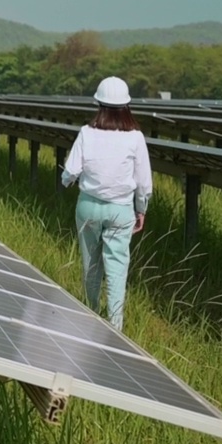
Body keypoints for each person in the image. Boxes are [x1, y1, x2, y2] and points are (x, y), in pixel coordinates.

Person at [60, 76, 152, 331]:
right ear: (127, 106)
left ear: (98, 103)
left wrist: (66, 180)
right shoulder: (135, 137)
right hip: (121, 210)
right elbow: (143, 182)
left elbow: (71, 171)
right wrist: (141, 208)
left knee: (91, 265)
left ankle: (91, 315)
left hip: (88, 206)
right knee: (117, 267)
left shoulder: (87, 133)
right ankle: (115, 326)